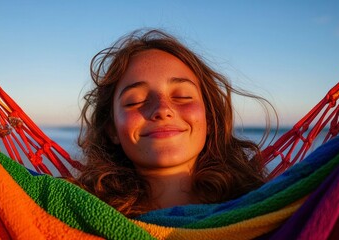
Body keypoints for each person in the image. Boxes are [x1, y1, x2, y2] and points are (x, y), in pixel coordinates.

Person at [77, 29, 269, 218]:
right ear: (112, 130)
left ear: (209, 119)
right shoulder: (79, 213)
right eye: (134, 101)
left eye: (182, 96)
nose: (162, 109)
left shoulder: (263, 208)